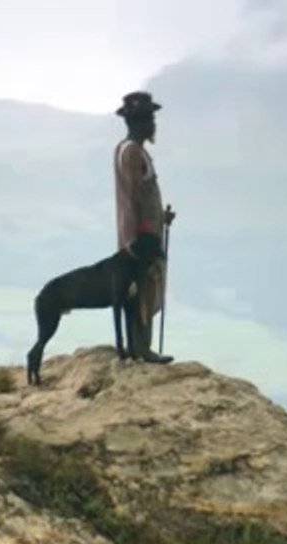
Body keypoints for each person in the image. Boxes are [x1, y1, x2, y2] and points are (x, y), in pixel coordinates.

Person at [113, 90, 176, 364]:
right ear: (138, 123)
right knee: (142, 288)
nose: (153, 125)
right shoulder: (131, 153)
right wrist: (140, 234)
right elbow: (132, 197)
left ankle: (139, 346)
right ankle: (141, 348)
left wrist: (162, 218)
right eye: (149, 119)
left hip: (145, 230)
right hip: (141, 236)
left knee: (144, 288)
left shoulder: (135, 151)